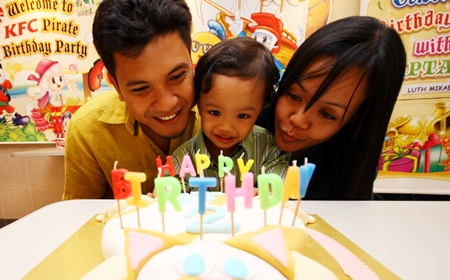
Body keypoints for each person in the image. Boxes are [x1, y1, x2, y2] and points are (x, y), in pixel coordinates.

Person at [257, 16, 407, 200]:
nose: (298, 119)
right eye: (294, 96)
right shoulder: (244, 123)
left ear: (356, 116)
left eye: (327, 114)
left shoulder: (350, 168)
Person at [63, 0, 200, 200]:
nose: (166, 103)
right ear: (115, 85)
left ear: (191, 60)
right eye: (141, 89)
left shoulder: (229, 112)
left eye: (177, 76)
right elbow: (81, 220)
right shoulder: (87, 131)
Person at [171, 37, 290, 191]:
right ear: (198, 104)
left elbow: (277, 185)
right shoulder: (184, 157)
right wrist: (166, 191)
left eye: (242, 116)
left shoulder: (268, 149)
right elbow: (170, 188)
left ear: (261, 108)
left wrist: (265, 193)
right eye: (215, 112)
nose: (227, 127)